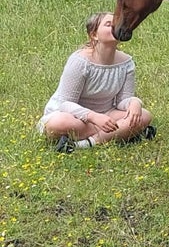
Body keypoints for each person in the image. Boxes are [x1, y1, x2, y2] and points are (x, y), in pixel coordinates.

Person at [37, 11, 156, 153]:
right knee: (58, 124)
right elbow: (65, 103)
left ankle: (84, 144)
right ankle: (122, 134)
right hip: (73, 116)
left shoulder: (126, 63)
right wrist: (93, 117)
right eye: (108, 25)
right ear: (94, 34)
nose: (114, 27)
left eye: (116, 24)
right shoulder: (80, 62)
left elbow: (122, 101)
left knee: (143, 115)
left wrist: (135, 102)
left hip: (107, 114)